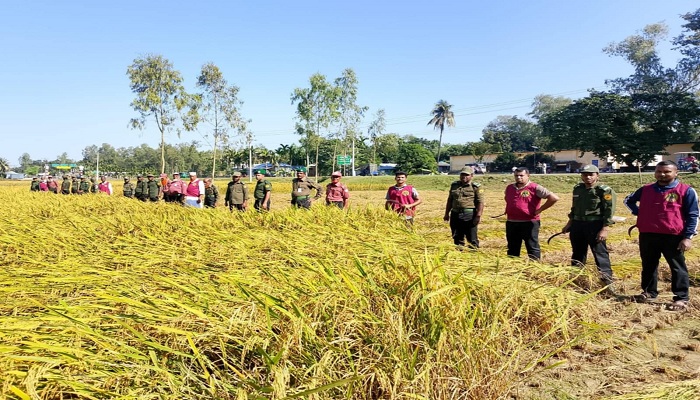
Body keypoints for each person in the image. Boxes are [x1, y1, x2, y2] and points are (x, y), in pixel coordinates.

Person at [624, 161, 698, 311]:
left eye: (666, 172)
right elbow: (628, 200)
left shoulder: (686, 190)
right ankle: (649, 292)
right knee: (649, 265)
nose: (662, 174)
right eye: (659, 171)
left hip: (673, 236)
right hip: (648, 234)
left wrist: (688, 237)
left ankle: (681, 298)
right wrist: (639, 212)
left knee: (677, 267)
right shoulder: (646, 189)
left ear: (676, 173)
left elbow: (694, 215)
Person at [561, 165, 616, 286]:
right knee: (578, 253)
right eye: (585, 174)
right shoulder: (578, 189)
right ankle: (576, 279)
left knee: (600, 254)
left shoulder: (604, 190)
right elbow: (574, 208)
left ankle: (606, 282)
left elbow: (609, 211)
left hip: (594, 225)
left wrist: (605, 228)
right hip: (578, 225)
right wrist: (569, 224)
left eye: (591, 174)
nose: (588, 177)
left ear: (597, 175)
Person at [504, 167, 559, 260]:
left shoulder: (535, 187)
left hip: (529, 222)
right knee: (512, 246)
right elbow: (507, 198)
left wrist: (540, 209)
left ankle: (535, 266)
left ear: (528, 176)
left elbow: (554, 198)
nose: (518, 178)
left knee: (532, 246)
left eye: (521, 175)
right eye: (516, 175)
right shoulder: (510, 188)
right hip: (512, 221)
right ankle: (513, 265)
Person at [443, 166, 483, 247]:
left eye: (466, 175)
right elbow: (450, 200)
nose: (463, 177)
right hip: (455, 214)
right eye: (462, 175)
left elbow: (480, 202)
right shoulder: (454, 185)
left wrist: (478, 216)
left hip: (469, 215)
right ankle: (459, 252)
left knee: (471, 237)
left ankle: (474, 253)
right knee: (456, 236)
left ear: (471, 176)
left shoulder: (475, 187)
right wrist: (446, 213)